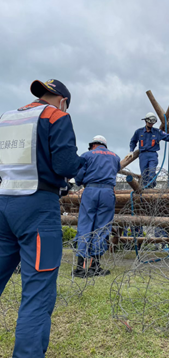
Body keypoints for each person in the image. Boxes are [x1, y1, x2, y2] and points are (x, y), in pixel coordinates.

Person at [0, 79, 84, 358]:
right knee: (37, 290)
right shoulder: (56, 116)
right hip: (37, 206)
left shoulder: (7, 118)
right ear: (63, 100)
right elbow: (65, 165)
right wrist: (81, 166)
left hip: (3, 203)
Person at [73, 135, 121, 278]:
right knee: (102, 228)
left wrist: (82, 182)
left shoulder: (87, 155)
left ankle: (81, 268)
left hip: (90, 191)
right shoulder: (115, 157)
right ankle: (95, 267)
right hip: (108, 192)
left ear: (94, 144)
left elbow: (79, 177)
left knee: (85, 225)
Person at [126, 112, 169, 187]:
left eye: (152, 123)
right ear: (146, 121)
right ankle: (145, 190)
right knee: (144, 175)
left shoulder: (157, 132)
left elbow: (168, 137)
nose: (151, 125)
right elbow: (133, 141)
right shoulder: (139, 132)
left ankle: (151, 187)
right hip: (143, 155)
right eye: (150, 123)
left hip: (152, 155)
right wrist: (131, 151)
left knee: (151, 173)